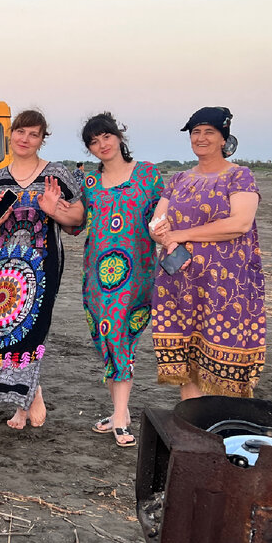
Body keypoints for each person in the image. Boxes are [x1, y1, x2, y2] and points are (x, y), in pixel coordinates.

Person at [0, 109, 83, 429]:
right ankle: (29, 395)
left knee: (34, 329)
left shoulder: (56, 175)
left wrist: (55, 210)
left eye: (33, 134)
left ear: (42, 139)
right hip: (3, 269)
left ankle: (26, 399)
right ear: (11, 135)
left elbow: (78, 220)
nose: (25, 139)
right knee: (8, 332)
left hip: (43, 264)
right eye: (20, 132)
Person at [148, 107, 265, 399]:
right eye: (196, 132)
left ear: (223, 138)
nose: (201, 138)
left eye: (209, 132)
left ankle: (221, 427)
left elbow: (239, 223)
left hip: (225, 284)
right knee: (188, 357)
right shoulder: (178, 179)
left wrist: (181, 235)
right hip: (180, 280)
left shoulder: (239, 176)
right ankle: (193, 425)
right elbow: (157, 222)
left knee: (222, 352)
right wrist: (161, 235)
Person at [78, 113, 162, 447]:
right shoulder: (89, 183)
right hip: (97, 274)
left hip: (138, 273)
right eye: (94, 142)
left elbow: (163, 217)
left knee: (119, 338)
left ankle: (122, 417)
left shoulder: (148, 174)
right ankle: (119, 413)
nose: (102, 145)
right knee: (111, 340)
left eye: (106, 137)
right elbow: (78, 219)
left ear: (119, 136)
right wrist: (55, 208)